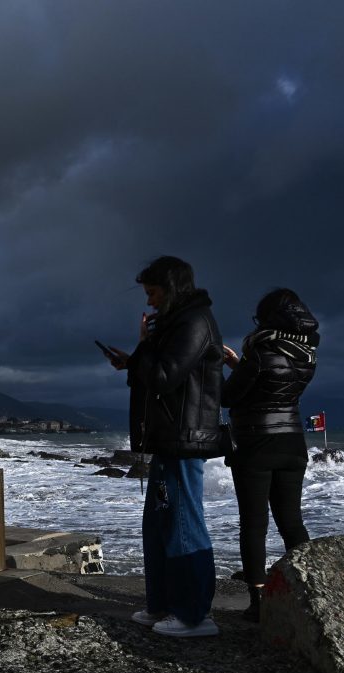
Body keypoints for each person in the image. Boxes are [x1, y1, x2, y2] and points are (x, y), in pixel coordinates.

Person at [104, 256, 222, 638]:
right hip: (168, 441)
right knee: (158, 523)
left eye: (153, 293)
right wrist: (137, 358)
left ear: (172, 289)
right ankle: (164, 605)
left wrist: (143, 348)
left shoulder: (194, 321)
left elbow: (163, 377)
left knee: (182, 521)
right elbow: (157, 374)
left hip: (183, 441)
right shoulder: (178, 323)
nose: (150, 302)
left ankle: (193, 616)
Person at [222, 288, 318, 621]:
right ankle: (313, 594)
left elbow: (229, 396)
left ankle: (259, 603)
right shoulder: (307, 354)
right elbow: (276, 389)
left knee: (254, 525)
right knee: (292, 523)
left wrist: (232, 367)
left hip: (256, 444)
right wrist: (241, 364)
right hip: (293, 444)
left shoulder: (260, 351)